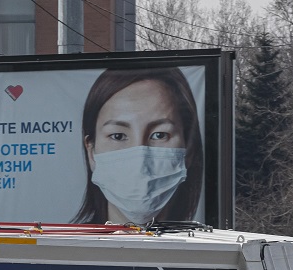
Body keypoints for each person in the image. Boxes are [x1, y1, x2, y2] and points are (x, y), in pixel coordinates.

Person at [73, 67, 203, 226]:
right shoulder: (59, 249)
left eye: (159, 135)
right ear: (91, 152)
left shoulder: (216, 248)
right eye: (118, 136)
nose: (140, 161)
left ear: (188, 149)